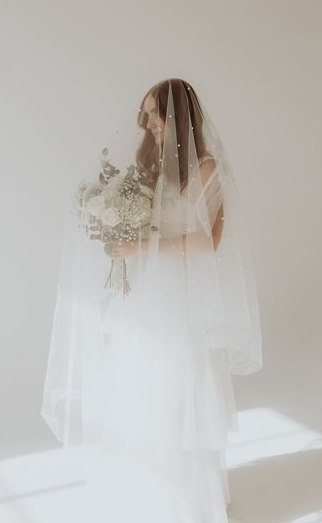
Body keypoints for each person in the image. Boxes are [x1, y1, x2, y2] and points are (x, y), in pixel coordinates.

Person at [41, 78, 263, 523]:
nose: (147, 123)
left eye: (154, 115)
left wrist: (142, 246)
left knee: (178, 385)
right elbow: (134, 217)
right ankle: (138, 488)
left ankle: (183, 501)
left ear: (177, 115)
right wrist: (110, 223)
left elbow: (209, 241)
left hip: (179, 298)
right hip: (143, 295)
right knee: (134, 383)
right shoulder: (149, 165)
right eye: (145, 115)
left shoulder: (204, 168)